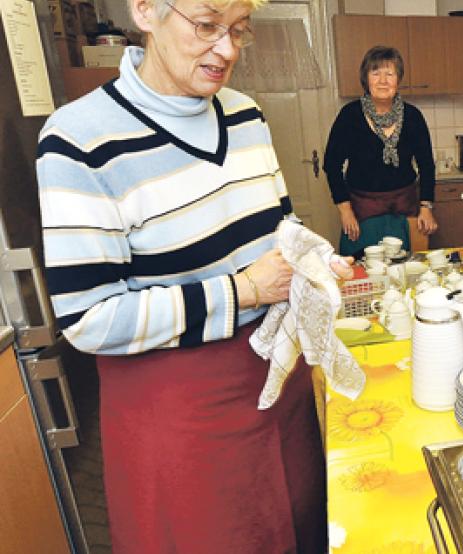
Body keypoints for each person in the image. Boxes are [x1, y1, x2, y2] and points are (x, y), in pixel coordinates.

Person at [36, 0, 353, 551]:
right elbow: (87, 318)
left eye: (239, 31)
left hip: (279, 389)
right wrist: (243, 291)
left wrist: (309, 260)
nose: (227, 50)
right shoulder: (79, 139)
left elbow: (280, 226)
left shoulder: (245, 114)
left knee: (302, 532)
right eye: (207, 26)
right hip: (180, 418)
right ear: (146, 11)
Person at [323, 46, 438, 257]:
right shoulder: (349, 116)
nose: (383, 80)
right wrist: (345, 212)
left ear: (398, 79)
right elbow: (331, 165)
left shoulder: (413, 116)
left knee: (409, 270)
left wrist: (426, 207)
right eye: (375, 73)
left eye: (390, 74)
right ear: (366, 79)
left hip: (407, 210)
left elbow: (427, 165)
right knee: (364, 273)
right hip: (361, 213)